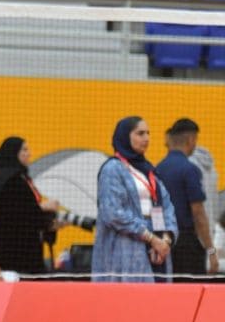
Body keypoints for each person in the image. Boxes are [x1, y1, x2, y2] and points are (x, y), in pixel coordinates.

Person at [92, 116, 178, 283]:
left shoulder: (149, 170)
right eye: (140, 133)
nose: (146, 138)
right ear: (125, 136)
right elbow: (113, 213)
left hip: (158, 249)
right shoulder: (112, 169)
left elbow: (167, 206)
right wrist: (151, 238)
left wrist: (165, 240)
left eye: (148, 133)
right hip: (124, 250)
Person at [0, 137, 58, 275]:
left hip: (0, 249)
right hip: (22, 253)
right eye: (24, 149)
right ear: (13, 153)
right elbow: (23, 215)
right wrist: (45, 210)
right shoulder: (14, 181)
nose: (29, 153)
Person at [155, 118, 218, 279]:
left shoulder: (157, 170)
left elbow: (155, 209)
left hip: (164, 241)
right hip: (187, 243)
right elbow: (198, 212)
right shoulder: (190, 170)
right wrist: (211, 250)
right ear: (191, 139)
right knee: (191, 292)